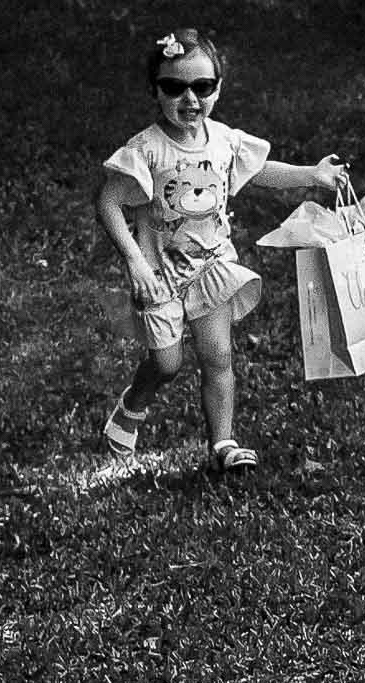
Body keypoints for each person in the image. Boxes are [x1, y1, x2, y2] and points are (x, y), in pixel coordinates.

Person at [95, 27, 348, 470]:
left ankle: (223, 445)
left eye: (202, 86)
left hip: (211, 268)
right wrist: (135, 261)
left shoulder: (224, 140)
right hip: (160, 275)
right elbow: (109, 202)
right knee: (167, 363)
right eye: (174, 87)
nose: (190, 99)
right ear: (155, 90)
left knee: (218, 356)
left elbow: (261, 170)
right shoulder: (147, 150)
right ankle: (133, 404)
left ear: (218, 88)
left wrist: (312, 174)